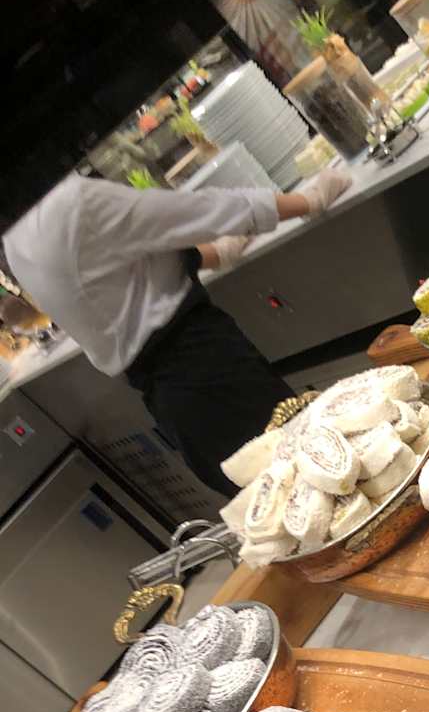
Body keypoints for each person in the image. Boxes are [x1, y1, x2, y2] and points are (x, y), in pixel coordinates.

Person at [0, 167, 350, 493]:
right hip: (209, 371)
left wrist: (220, 252)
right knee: (320, 483)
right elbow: (201, 212)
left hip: (172, 401)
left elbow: (124, 276)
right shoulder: (68, 201)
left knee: (282, 507)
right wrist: (308, 201)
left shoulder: (15, 241)